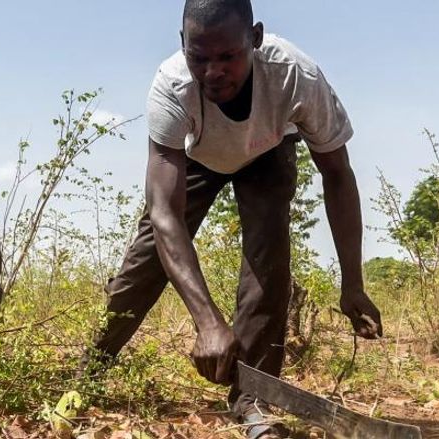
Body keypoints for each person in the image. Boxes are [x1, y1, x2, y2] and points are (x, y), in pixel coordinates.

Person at [81, 1, 382, 437]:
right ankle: (90, 370)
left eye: (228, 57)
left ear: (255, 39)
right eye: (199, 57)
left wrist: (352, 283)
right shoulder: (171, 86)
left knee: (267, 264)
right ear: (183, 44)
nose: (213, 72)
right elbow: (165, 213)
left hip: (268, 152)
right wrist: (208, 323)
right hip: (198, 156)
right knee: (145, 262)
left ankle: (253, 402)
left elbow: (337, 173)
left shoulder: (296, 75)